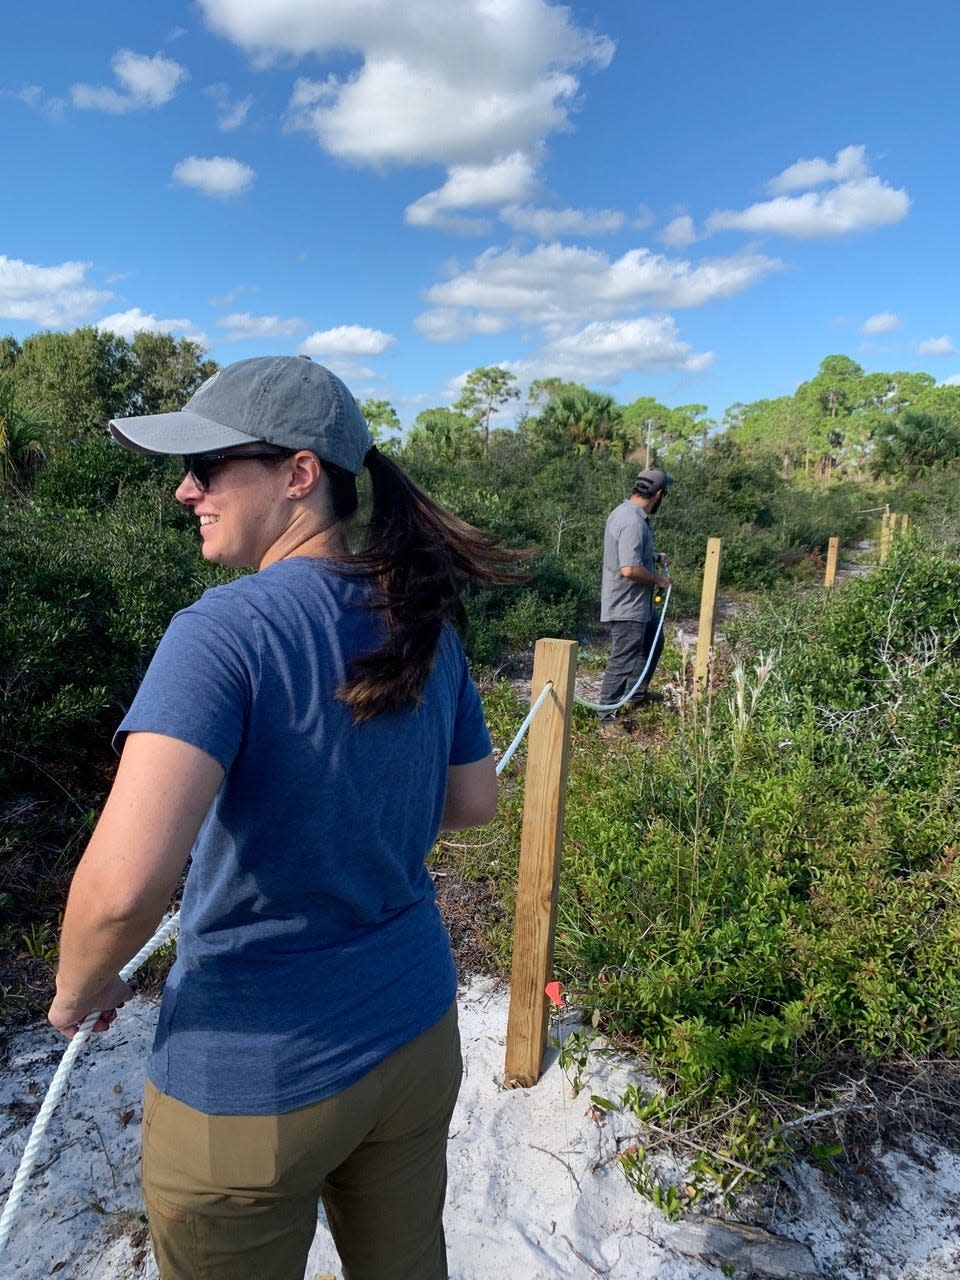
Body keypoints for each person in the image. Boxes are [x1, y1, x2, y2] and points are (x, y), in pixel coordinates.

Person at [47, 355, 518, 1280]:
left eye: (210, 466)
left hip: (253, 1077)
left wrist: (78, 991)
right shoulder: (423, 620)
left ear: (299, 474)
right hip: (414, 1036)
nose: (187, 491)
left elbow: (122, 889)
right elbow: (475, 801)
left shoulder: (223, 633)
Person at [597, 466, 674, 733]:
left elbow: (626, 553)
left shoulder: (628, 514)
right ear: (659, 494)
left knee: (654, 639)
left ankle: (636, 694)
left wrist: (654, 557)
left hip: (638, 602)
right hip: (627, 602)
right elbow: (628, 569)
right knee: (624, 657)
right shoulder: (632, 522)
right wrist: (659, 579)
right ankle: (606, 716)